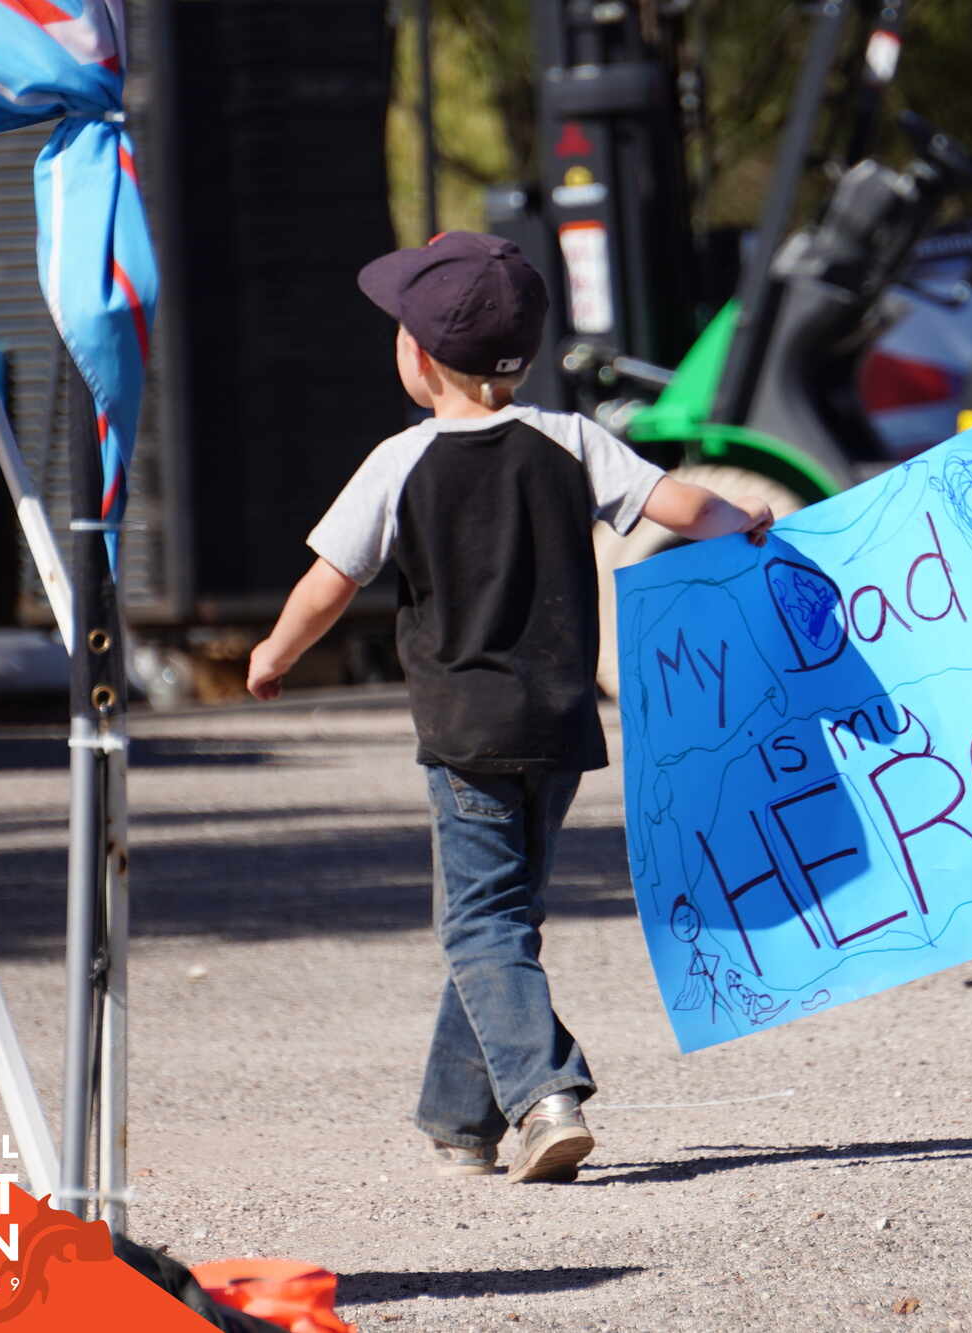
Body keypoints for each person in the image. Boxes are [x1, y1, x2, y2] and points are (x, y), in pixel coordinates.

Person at [245, 232, 773, 1183]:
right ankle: (459, 1121)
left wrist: (273, 654)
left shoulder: (399, 461)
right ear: (522, 360)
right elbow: (680, 505)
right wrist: (744, 521)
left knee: (478, 925)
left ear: (416, 357)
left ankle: (545, 1093)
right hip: (559, 729)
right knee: (503, 918)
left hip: (466, 735)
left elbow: (330, 580)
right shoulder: (572, 440)